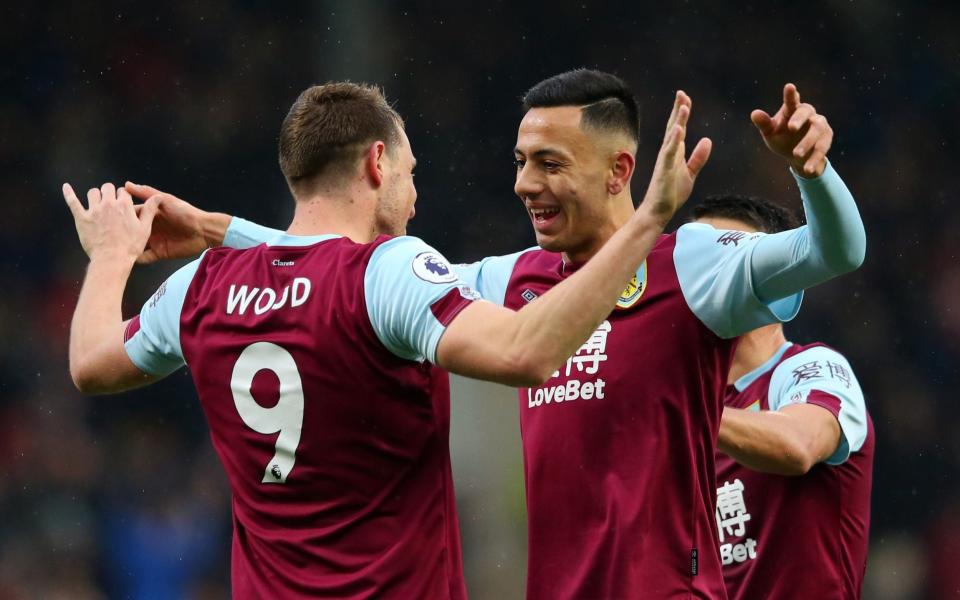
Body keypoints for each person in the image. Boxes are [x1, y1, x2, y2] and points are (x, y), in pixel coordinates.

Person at [127, 70, 865, 599]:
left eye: (549, 163)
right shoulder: (516, 280)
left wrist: (814, 172)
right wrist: (220, 230)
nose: (524, 184)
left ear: (620, 172)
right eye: (520, 162)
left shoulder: (691, 260)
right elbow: (360, 277)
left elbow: (835, 252)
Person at [692, 194, 873, 600]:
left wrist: (680, 410)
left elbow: (796, 446)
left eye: (732, 262)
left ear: (778, 279)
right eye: (696, 265)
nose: (706, 280)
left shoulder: (811, 370)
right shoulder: (686, 400)